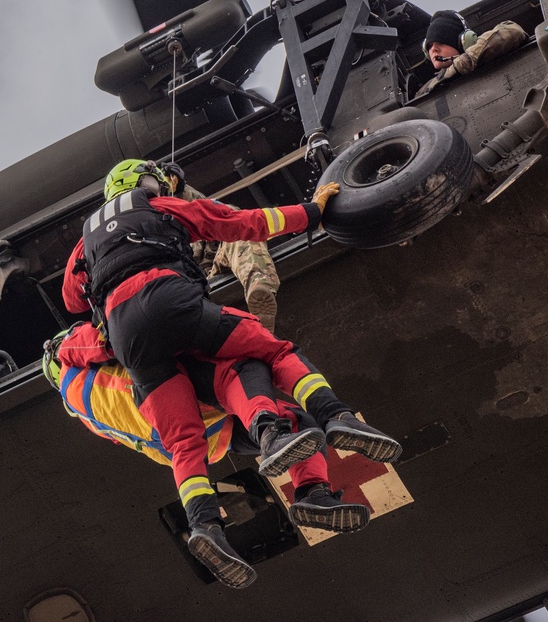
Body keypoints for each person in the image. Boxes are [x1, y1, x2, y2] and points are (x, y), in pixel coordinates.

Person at [61, 159, 401, 587]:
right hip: (172, 303)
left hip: (131, 342)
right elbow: (243, 222)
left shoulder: (83, 247)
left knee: (186, 443)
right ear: (148, 182)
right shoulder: (162, 207)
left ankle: (207, 527)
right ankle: (332, 417)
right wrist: (311, 211)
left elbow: (72, 299)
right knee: (271, 354)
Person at [42, 323, 371, 588]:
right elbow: (110, 340)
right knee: (247, 374)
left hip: (190, 440)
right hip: (172, 400)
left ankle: (208, 526)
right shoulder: (70, 350)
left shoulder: (81, 411)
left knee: (295, 425)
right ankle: (312, 490)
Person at [170, 176, 282, 333]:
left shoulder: (191, 213)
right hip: (191, 292)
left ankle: (260, 292)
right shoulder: (150, 236)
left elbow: (206, 209)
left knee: (243, 235)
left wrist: (179, 190)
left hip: (220, 265)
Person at [416, 10, 528, 97]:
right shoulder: (424, 91)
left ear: (462, 42)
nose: (434, 49)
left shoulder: (482, 56)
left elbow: (513, 30)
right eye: (429, 46)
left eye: (441, 42)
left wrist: (462, 63)